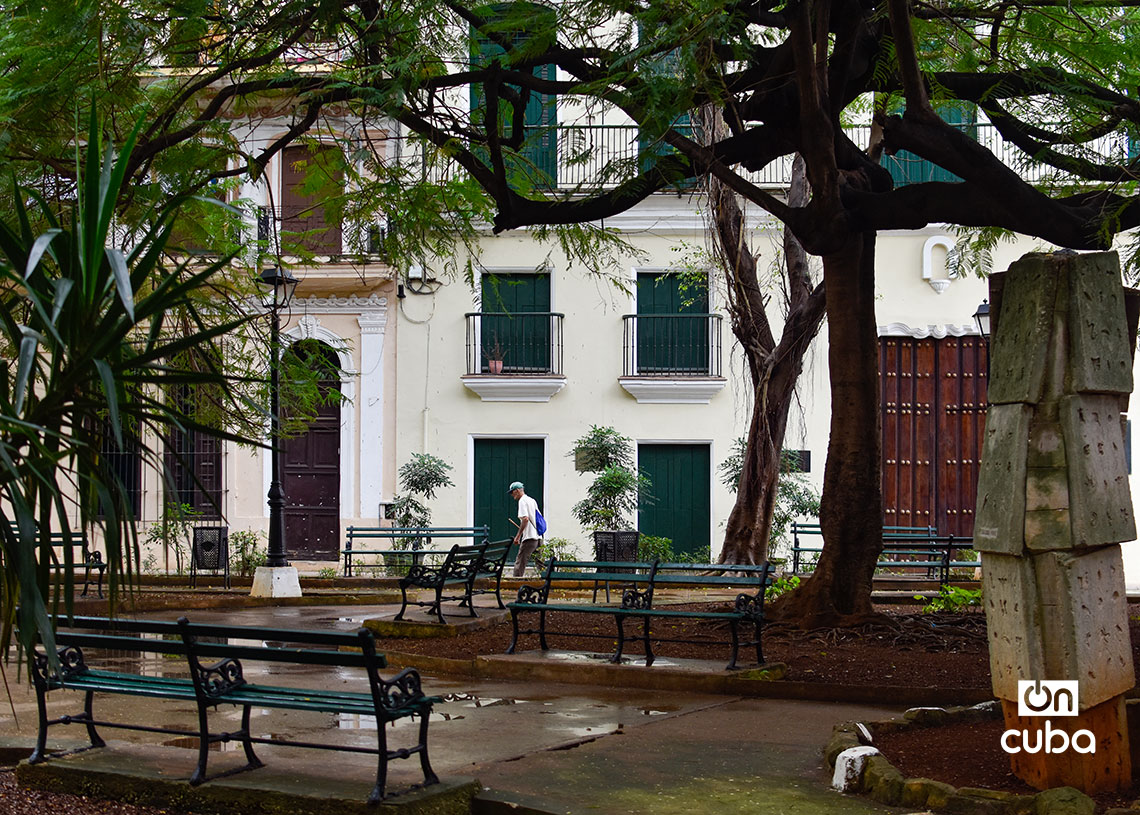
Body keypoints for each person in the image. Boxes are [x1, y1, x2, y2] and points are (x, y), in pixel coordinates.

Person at [509, 480, 542, 577]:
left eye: (512, 492)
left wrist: (518, 536)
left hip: (529, 537)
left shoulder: (522, 501)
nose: (511, 494)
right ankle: (545, 581)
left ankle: (515, 583)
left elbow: (525, 519)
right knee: (540, 563)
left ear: (517, 491)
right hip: (538, 536)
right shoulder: (532, 500)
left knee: (520, 562)